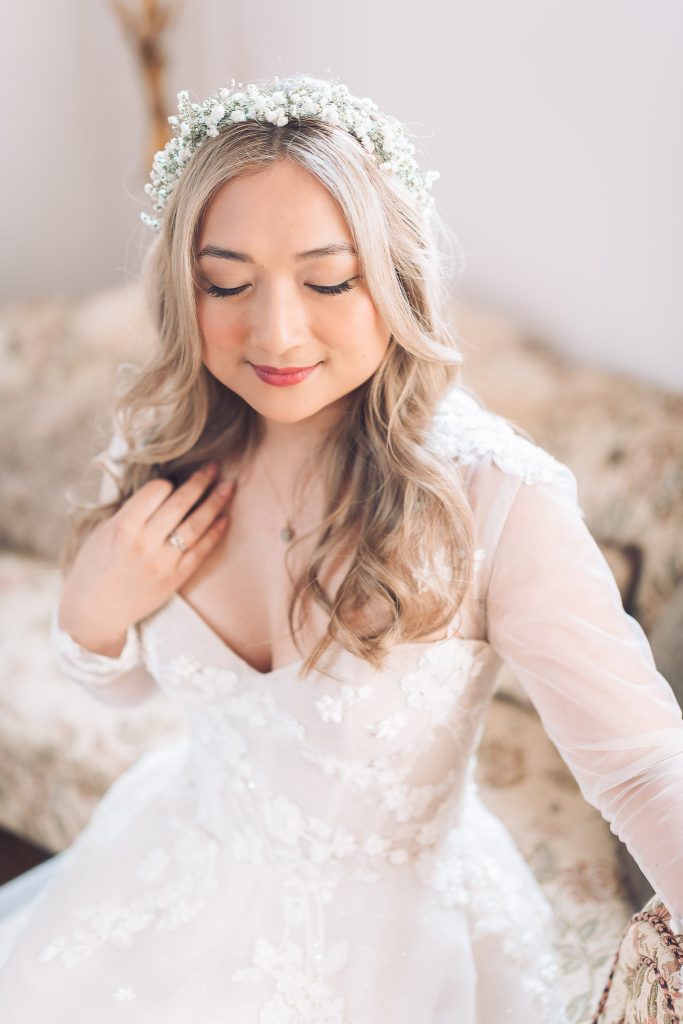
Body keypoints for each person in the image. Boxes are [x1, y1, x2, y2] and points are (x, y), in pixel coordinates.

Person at [0, 74, 681, 1023]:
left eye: (327, 280)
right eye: (226, 282)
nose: (276, 331)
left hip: (396, 959)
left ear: (394, 276)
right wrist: (95, 605)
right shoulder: (165, 440)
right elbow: (122, 680)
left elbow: (645, 766)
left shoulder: (494, 498)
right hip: (172, 872)